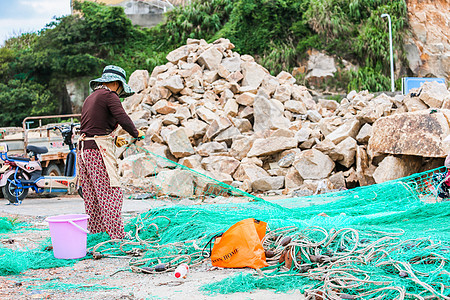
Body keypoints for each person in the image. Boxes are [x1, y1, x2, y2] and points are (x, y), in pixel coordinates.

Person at [77, 65, 144, 239]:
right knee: (111, 193)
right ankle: (117, 236)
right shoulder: (109, 95)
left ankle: (98, 235)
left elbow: (93, 126)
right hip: (97, 151)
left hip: (84, 151)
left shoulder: (91, 98)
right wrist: (136, 134)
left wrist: (114, 140)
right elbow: (123, 118)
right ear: (116, 83)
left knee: (92, 195)